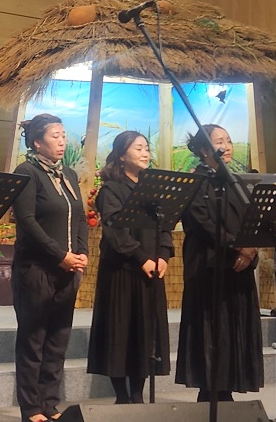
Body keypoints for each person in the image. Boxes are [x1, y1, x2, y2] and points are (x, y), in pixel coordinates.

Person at [176, 124, 263, 402]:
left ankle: (228, 391)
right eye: (218, 141)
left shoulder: (237, 182)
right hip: (209, 267)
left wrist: (250, 250)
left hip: (239, 266)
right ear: (204, 150)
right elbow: (201, 223)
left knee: (236, 329)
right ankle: (210, 393)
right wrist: (237, 246)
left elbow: (254, 219)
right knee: (212, 330)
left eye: (228, 140)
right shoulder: (196, 182)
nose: (226, 146)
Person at [11, 114, 88, 422]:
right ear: (37, 142)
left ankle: (50, 402)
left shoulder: (68, 174)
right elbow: (27, 222)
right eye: (55, 136)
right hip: (36, 269)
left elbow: (80, 217)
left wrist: (81, 254)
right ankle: (31, 407)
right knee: (33, 340)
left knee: (58, 340)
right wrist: (59, 255)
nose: (62, 141)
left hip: (68, 270)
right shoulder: (27, 171)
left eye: (64, 135)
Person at [87, 131, 172, 404]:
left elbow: (165, 225)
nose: (145, 153)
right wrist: (141, 258)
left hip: (151, 269)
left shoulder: (152, 189)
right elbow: (115, 230)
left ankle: (138, 394)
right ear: (122, 155)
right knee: (120, 330)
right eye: (138, 148)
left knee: (145, 332)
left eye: (146, 147)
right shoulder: (111, 189)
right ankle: (122, 396)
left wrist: (163, 255)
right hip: (122, 271)